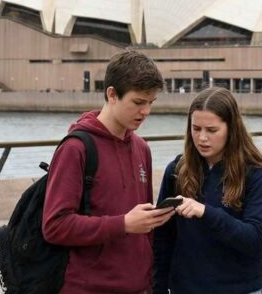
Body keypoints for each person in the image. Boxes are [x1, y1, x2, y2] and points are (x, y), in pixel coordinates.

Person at [42, 50, 171, 294]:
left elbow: (143, 228)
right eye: (138, 102)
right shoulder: (75, 149)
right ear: (112, 94)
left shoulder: (142, 149)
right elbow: (55, 226)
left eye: (151, 102)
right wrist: (123, 224)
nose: (146, 112)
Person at [153, 87, 262, 294]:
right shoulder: (176, 171)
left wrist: (205, 213)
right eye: (196, 128)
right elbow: (162, 239)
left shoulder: (256, 175)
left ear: (231, 129)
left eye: (211, 130)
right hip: (185, 288)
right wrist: (158, 288)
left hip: (240, 288)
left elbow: (255, 240)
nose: (202, 138)